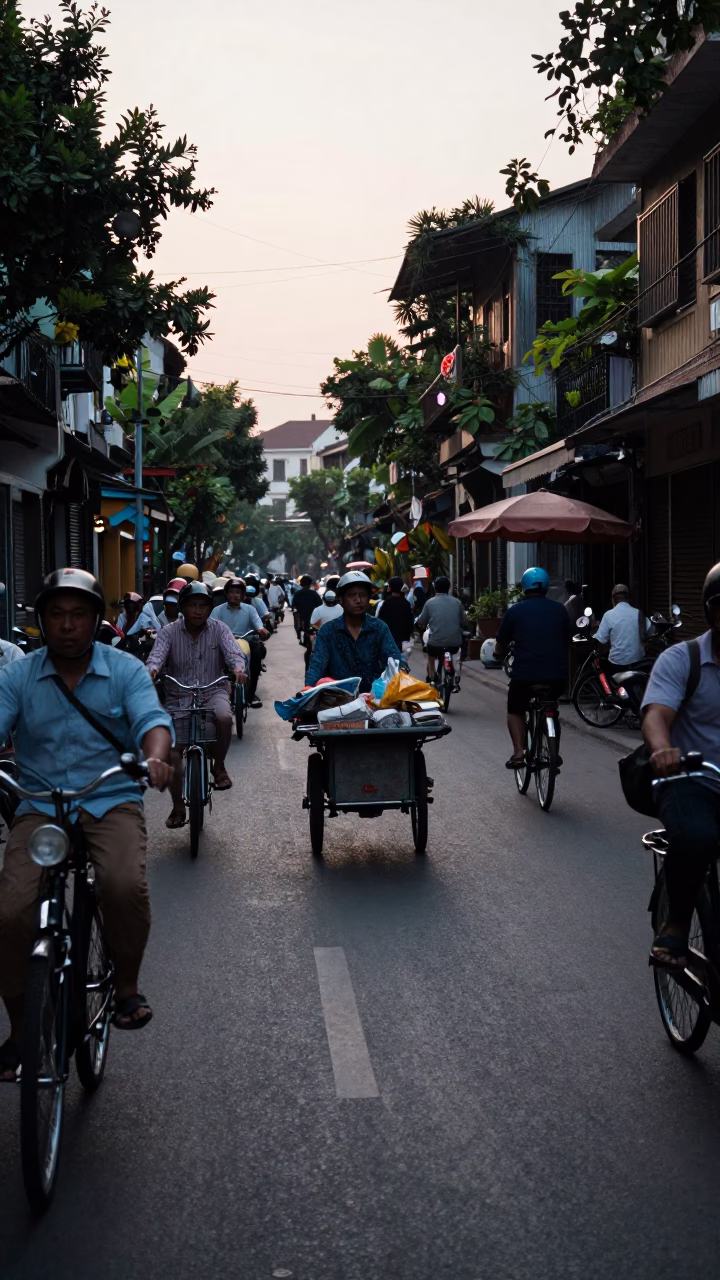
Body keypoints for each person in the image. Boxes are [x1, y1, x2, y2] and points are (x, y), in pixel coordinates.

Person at [0, 569, 175, 1076]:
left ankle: (125, 987)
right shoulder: (19, 674)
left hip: (110, 799)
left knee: (122, 885)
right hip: (39, 806)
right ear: (42, 622)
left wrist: (157, 757)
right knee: (10, 914)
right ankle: (20, 1030)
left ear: (96, 620)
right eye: (57, 615)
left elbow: (151, 721)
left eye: (79, 615)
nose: (68, 625)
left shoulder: (124, 669)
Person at [642, 563, 720, 969]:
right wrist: (662, 749)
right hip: (692, 776)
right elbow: (656, 714)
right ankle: (675, 924)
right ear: (712, 612)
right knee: (697, 835)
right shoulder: (682, 659)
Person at [146, 581, 247, 824]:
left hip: (214, 690)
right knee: (172, 752)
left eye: (203, 606)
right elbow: (156, 656)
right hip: (177, 695)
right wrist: (152, 670)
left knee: (224, 717)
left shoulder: (220, 629)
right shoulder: (168, 632)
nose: (198, 611)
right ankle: (178, 808)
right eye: (192, 605)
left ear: (210, 608)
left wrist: (238, 667)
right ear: (183, 607)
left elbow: (234, 653)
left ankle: (219, 765)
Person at [493, 567, 572, 770]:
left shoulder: (515, 611)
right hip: (557, 678)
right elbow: (567, 640)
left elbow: (500, 644)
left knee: (515, 709)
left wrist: (497, 655)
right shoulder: (560, 610)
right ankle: (554, 750)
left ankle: (519, 752)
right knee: (551, 707)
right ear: (546, 587)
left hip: (524, 677)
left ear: (523, 588)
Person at [305, 571, 405, 692]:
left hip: (374, 700)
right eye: (352, 595)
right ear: (341, 600)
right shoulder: (327, 631)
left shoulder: (379, 628)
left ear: (368, 598)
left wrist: (401, 671)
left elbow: (394, 660)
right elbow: (317, 665)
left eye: (362, 595)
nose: (358, 600)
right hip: (338, 700)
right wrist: (308, 689)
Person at [211, 577, 268, 707]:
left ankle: (251, 695)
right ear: (226, 593)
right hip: (223, 643)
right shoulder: (217, 610)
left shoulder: (250, 609)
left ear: (242, 595)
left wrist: (262, 630)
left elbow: (258, 624)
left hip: (245, 640)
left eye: (238, 592)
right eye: (232, 592)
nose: (235, 595)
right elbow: (211, 626)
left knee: (257, 656)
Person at [416, 576, 468, 688]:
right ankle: (455, 678)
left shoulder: (429, 603)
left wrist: (419, 626)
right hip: (454, 643)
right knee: (456, 654)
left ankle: (432, 678)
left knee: (430, 656)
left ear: (434, 588)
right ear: (448, 588)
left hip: (435, 643)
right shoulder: (457, 602)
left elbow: (422, 621)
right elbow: (464, 620)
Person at [594, 583, 651, 670]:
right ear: (628, 597)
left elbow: (601, 640)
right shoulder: (639, 614)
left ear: (614, 599)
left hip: (616, 664)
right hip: (638, 663)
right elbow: (651, 632)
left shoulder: (608, 615)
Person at [377, 576, 415, 652]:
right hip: (403, 642)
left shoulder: (386, 603)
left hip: (388, 640)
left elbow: (380, 621)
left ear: (390, 587)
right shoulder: (406, 603)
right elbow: (410, 622)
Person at [292, 574, 322, 642]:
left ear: (301, 584)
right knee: (313, 633)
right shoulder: (314, 593)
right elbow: (320, 604)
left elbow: (294, 606)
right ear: (310, 584)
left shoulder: (297, 594)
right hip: (313, 619)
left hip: (301, 619)